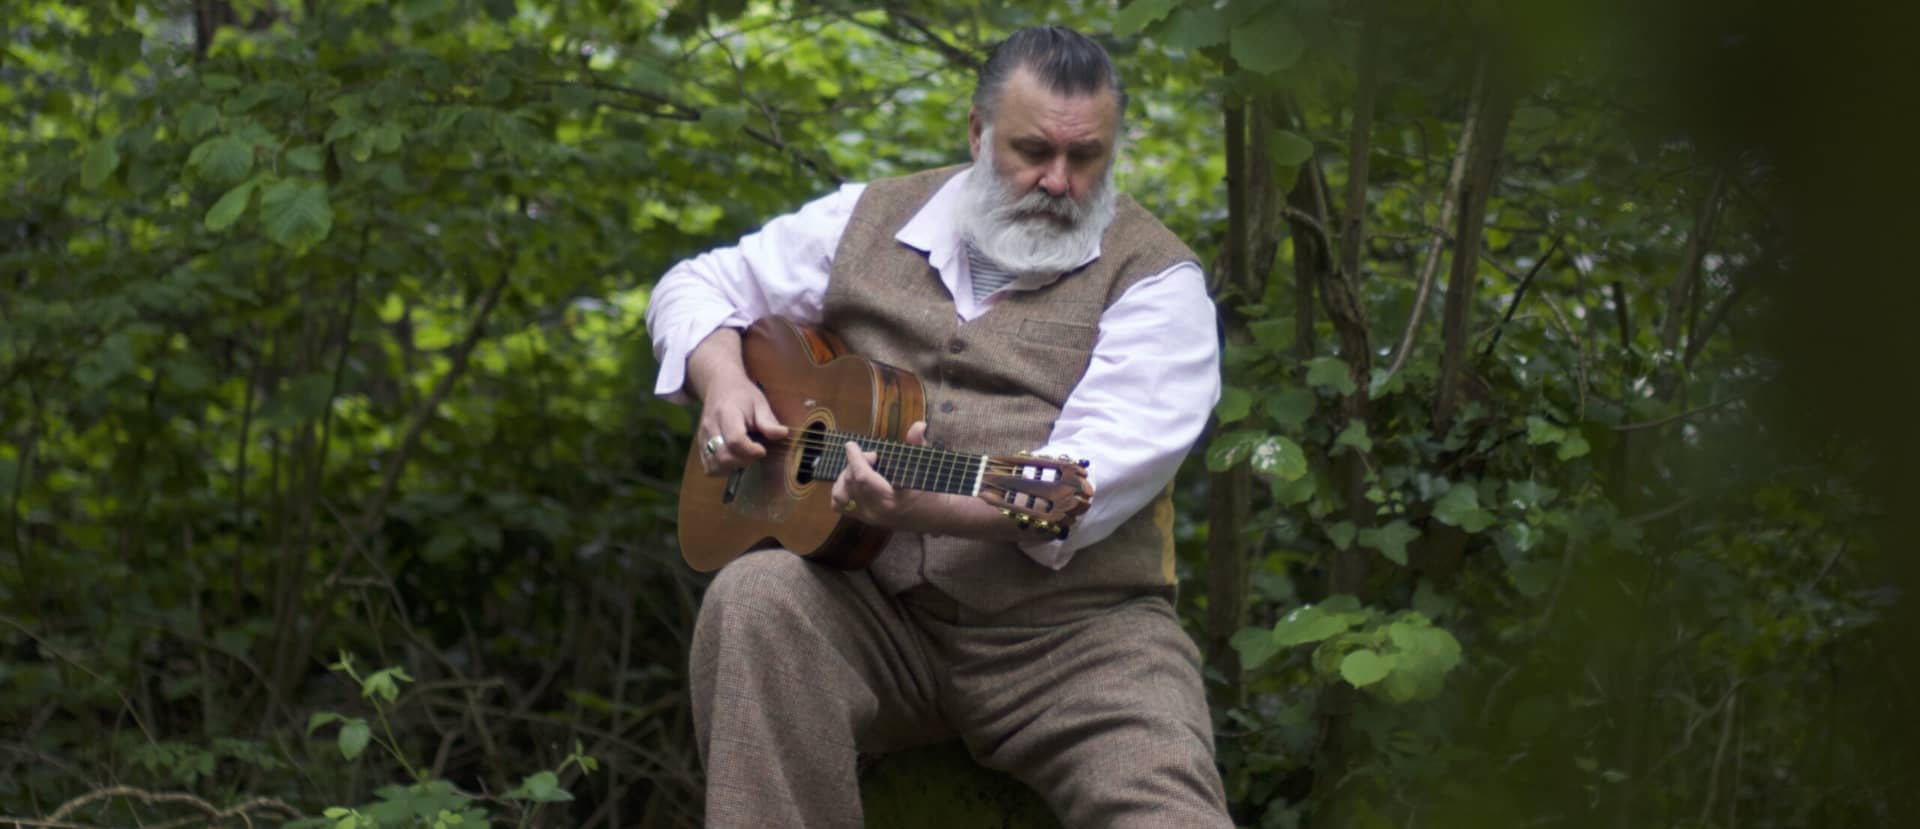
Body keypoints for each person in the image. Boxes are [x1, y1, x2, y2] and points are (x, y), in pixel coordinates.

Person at [644, 25, 1229, 828]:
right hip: (874, 617)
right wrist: (722, 381)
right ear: (978, 133)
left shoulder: (1157, 281)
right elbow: (696, 285)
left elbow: (1085, 482)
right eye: (1032, 151)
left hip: (1078, 639)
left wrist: (921, 506)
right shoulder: (869, 217)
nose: (1057, 181)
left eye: (1085, 157)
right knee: (756, 596)